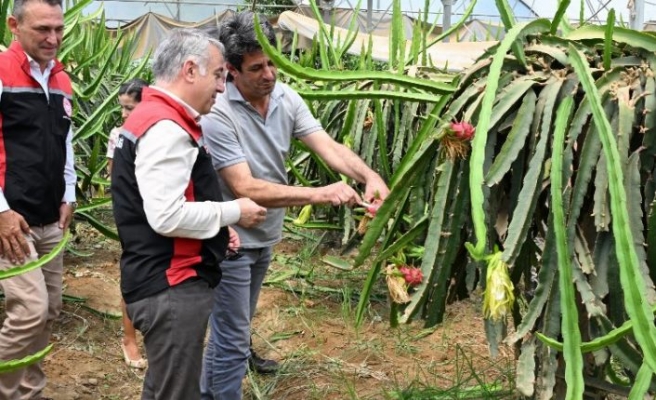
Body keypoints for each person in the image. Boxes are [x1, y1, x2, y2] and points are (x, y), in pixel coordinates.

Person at [200, 12, 390, 400]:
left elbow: (327, 145)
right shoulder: (218, 113)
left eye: (274, 61)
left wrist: (367, 175)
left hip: (265, 234)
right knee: (233, 338)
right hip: (230, 238)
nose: (270, 74)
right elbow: (244, 185)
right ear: (232, 72)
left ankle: (208, 394)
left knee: (233, 329)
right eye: (257, 68)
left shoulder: (286, 97)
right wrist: (319, 194)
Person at [110, 28, 267, 399]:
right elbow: (165, 216)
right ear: (190, 70)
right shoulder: (166, 127)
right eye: (218, 75)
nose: (221, 87)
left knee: (168, 387)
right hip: (171, 285)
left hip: (163, 279)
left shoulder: (155, 114)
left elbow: (175, 195)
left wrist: (214, 229)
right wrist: (233, 212)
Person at [0, 0, 77, 398]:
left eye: (59, 29)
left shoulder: (61, 78)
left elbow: (67, 140)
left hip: (51, 216)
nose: (53, 38)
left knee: (49, 309)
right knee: (30, 310)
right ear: (14, 25)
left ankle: (30, 391)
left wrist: (70, 192)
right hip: (12, 219)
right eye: (42, 29)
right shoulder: (1, 70)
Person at [106, 78, 149, 370]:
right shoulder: (118, 134)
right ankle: (129, 339)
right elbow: (115, 178)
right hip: (134, 216)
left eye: (129, 108)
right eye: (121, 108)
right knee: (132, 276)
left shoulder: (162, 131)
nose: (123, 115)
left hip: (162, 215)